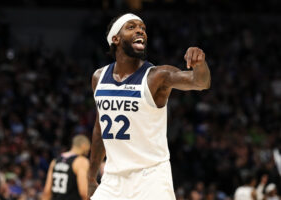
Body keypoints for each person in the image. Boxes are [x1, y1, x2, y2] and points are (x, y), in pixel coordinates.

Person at [88, 13, 211, 200]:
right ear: (115, 39)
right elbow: (99, 130)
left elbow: (200, 82)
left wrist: (200, 64)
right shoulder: (99, 77)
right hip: (113, 178)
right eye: (131, 27)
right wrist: (91, 176)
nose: (140, 30)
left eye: (143, 28)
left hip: (150, 178)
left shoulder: (157, 76)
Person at [42, 135, 90, 200]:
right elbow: (84, 192)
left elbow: (47, 191)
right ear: (84, 145)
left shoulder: (55, 161)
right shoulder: (81, 161)